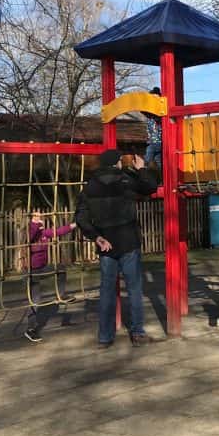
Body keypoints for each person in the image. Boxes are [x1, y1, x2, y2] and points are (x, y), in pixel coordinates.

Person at [75, 148, 158, 348]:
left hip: (106, 245)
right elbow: (150, 187)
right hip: (128, 241)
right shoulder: (125, 181)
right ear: (117, 163)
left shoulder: (89, 187)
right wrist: (141, 169)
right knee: (134, 289)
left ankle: (105, 337)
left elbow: (81, 217)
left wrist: (97, 237)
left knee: (106, 291)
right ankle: (137, 333)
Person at [23, 210, 76, 343]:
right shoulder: (28, 232)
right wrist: (34, 224)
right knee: (35, 299)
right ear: (31, 219)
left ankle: (61, 294)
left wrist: (73, 226)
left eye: (40, 216)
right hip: (31, 270)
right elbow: (31, 236)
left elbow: (57, 232)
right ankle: (31, 329)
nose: (39, 218)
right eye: (36, 216)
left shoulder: (43, 233)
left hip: (43, 268)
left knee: (60, 268)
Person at [144, 87, 163, 170]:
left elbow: (158, 118)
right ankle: (159, 177)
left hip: (159, 141)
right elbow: (142, 110)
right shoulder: (149, 114)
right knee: (158, 160)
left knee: (149, 151)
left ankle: (146, 168)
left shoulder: (159, 113)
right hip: (152, 141)